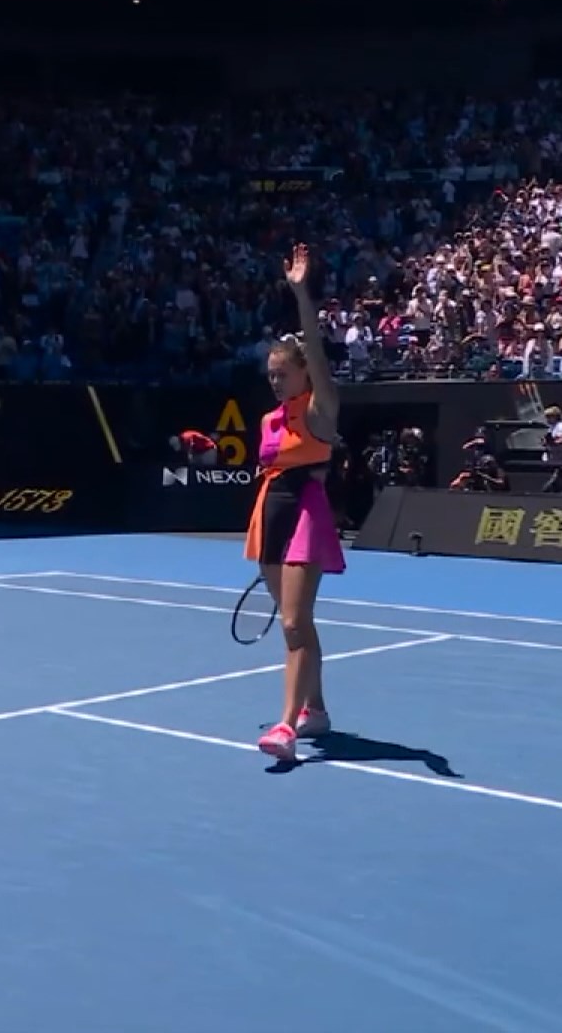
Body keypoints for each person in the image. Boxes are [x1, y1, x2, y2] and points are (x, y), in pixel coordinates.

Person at [246, 243, 344, 762]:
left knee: (292, 624)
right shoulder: (269, 421)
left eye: (282, 373)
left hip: (306, 512)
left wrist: (302, 295)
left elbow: (319, 356)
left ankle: (285, 725)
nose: (275, 380)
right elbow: (269, 468)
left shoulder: (319, 409)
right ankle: (317, 710)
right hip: (271, 514)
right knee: (298, 623)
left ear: (304, 374)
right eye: (270, 374)